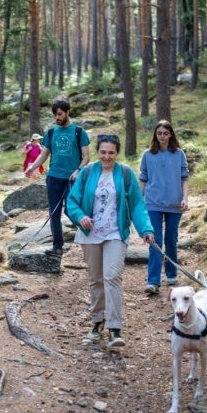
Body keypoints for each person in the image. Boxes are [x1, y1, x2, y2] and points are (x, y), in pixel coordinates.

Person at [67, 133, 155, 347]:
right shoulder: (87, 173)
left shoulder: (125, 173)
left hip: (116, 233)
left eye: (111, 153)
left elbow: (136, 204)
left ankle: (115, 328)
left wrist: (146, 228)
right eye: (103, 152)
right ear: (98, 152)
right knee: (96, 280)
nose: (107, 156)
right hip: (90, 235)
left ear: (117, 153)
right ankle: (97, 322)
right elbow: (72, 202)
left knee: (112, 277)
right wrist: (80, 217)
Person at [24, 100, 90, 256]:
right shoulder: (51, 133)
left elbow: (87, 156)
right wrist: (31, 167)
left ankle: (89, 235)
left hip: (72, 179)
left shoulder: (79, 132)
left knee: (70, 210)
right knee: (54, 214)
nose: (57, 117)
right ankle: (57, 246)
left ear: (68, 112)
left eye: (60, 114)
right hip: (53, 178)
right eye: (55, 114)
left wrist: (78, 170)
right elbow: (44, 154)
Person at [139, 120, 189, 295]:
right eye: (159, 133)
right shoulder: (147, 154)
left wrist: (185, 199)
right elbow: (143, 179)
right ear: (155, 135)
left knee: (171, 240)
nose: (162, 136)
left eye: (165, 133)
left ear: (171, 135)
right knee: (154, 241)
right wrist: (138, 201)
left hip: (174, 204)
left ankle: (171, 274)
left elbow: (184, 178)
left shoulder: (179, 154)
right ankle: (153, 282)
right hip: (153, 203)